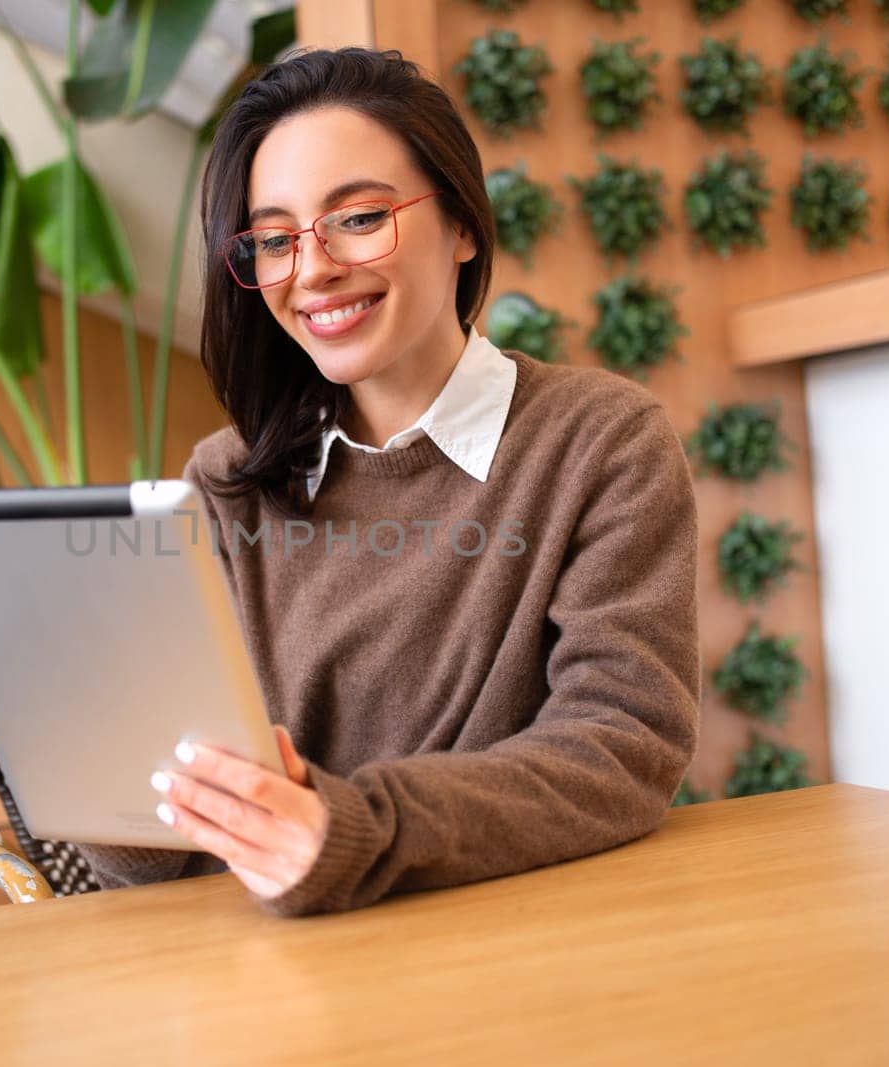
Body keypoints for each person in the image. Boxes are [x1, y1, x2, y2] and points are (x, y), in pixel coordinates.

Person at [73, 46, 700, 918]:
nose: (313, 269)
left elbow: (623, 745)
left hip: (519, 947)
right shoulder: (227, 480)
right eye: (275, 239)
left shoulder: (600, 443)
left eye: (359, 218)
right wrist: (103, 739)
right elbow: (149, 862)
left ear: (464, 224)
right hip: (266, 969)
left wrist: (357, 830)